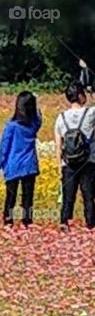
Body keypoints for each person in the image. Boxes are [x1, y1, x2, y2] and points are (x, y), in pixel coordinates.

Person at [0, 91, 41, 229]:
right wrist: (36, 108)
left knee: (11, 196)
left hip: (13, 165)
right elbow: (39, 118)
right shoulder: (33, 125)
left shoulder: (11, 126)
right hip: (29, 165)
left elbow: (4, 148)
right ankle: (27, 221)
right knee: (28, 196)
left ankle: (8, 221)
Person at [54, 80, 95, 231]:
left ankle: (64, 223)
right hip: (88, 160)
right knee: (88, 195)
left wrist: (59, 166)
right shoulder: (90, 113)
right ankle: (90, 224)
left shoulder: (61, 118)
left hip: (68, 162)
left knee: (68, 196)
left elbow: (59, 145)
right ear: (80, 96)